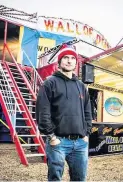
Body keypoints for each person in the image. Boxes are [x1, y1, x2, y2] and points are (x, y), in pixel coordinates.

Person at [36, 44, 92, 181]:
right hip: (58, 142)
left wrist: (86, 133)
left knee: (80, 179)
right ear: (59, 61)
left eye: (73, 58)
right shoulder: (49, 83)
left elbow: (87, 111)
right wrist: (51, 136)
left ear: (76, 62)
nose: (69, 60)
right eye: (65, 57)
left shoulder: (81, 86)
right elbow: (43, 112)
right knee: (55, 179)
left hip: (80, 143)